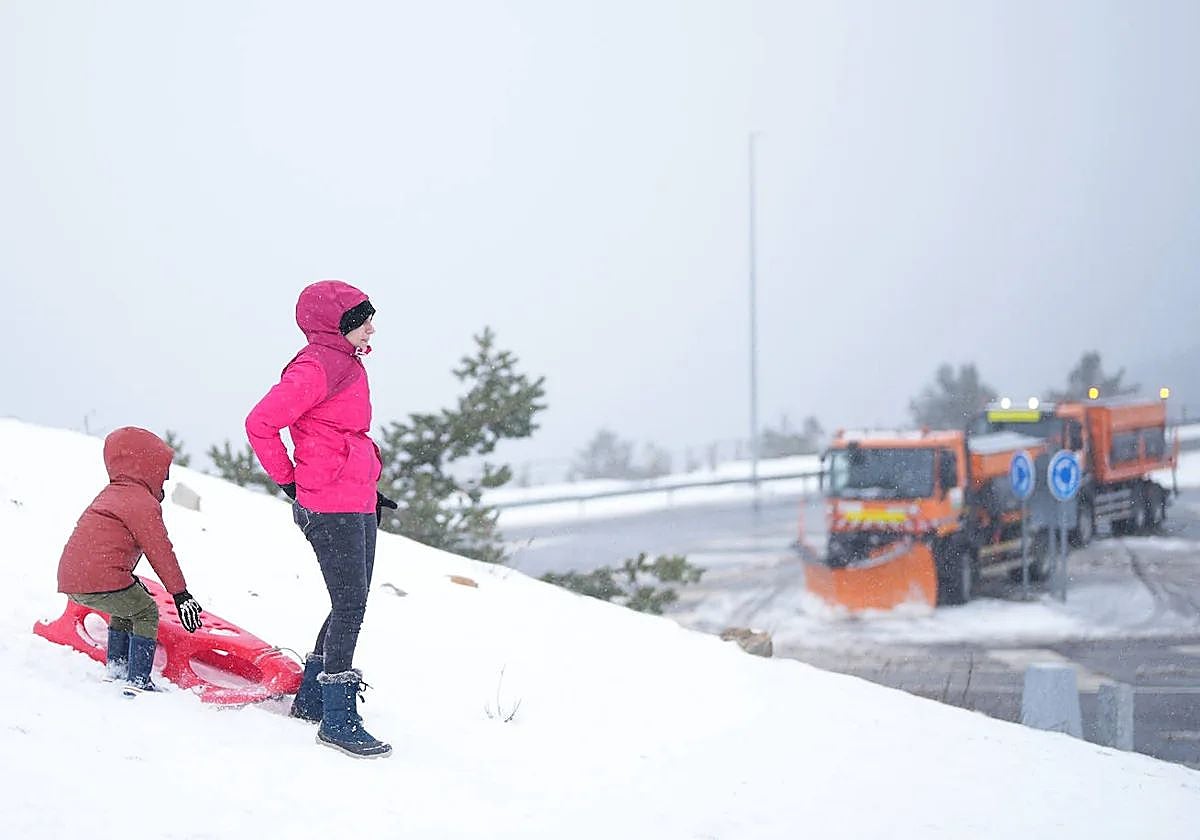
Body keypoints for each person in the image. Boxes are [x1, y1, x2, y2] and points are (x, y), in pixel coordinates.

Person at [246, 279, 397, 759]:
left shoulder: (342, 362)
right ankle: (337, 717)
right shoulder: (317, 365)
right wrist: (290, 482)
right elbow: (261, 422)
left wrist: (366, 488)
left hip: (354, 498)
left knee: (348, 601)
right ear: (338, 324)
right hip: (329, 505)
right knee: (351, 606)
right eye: (362, 318)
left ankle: (313, 698)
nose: (372, 326)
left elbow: (338, 435)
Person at [57, 427, 204, 696]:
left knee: (126, 605)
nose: (166, 476)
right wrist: (180, 594)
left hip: (73, 576)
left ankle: (116, 668)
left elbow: (102, 547)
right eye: (162, 469)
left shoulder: (112, 492)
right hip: (98, 578)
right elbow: (160, 550)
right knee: (145, 611)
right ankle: (138, 679)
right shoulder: (140, 501)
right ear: (147, 466)